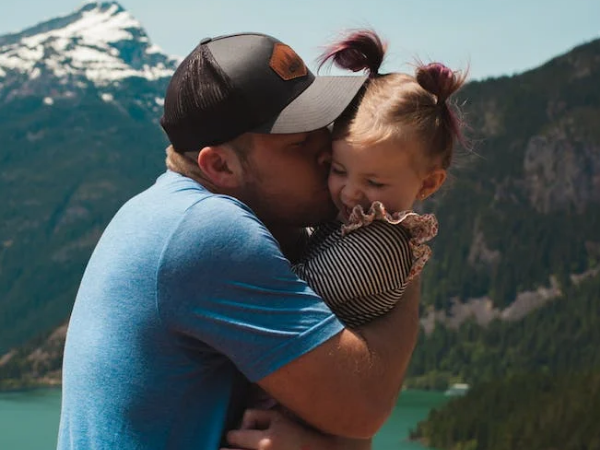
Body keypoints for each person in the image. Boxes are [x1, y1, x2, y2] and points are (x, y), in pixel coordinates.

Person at [57, 32, 422, 450]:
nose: (327, 151)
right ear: (221, 166)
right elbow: (362, 407)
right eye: (299, 142)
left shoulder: (161, 209)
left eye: (323, 125)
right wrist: (398, 234)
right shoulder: (207, 232)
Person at [222, 29, 467, 450]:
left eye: (373, 181)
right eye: (339, 170)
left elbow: (285, 293)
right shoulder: (357, 221)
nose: (350, 192)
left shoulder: (380, 245)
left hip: (294, 418)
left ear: (428, 183)